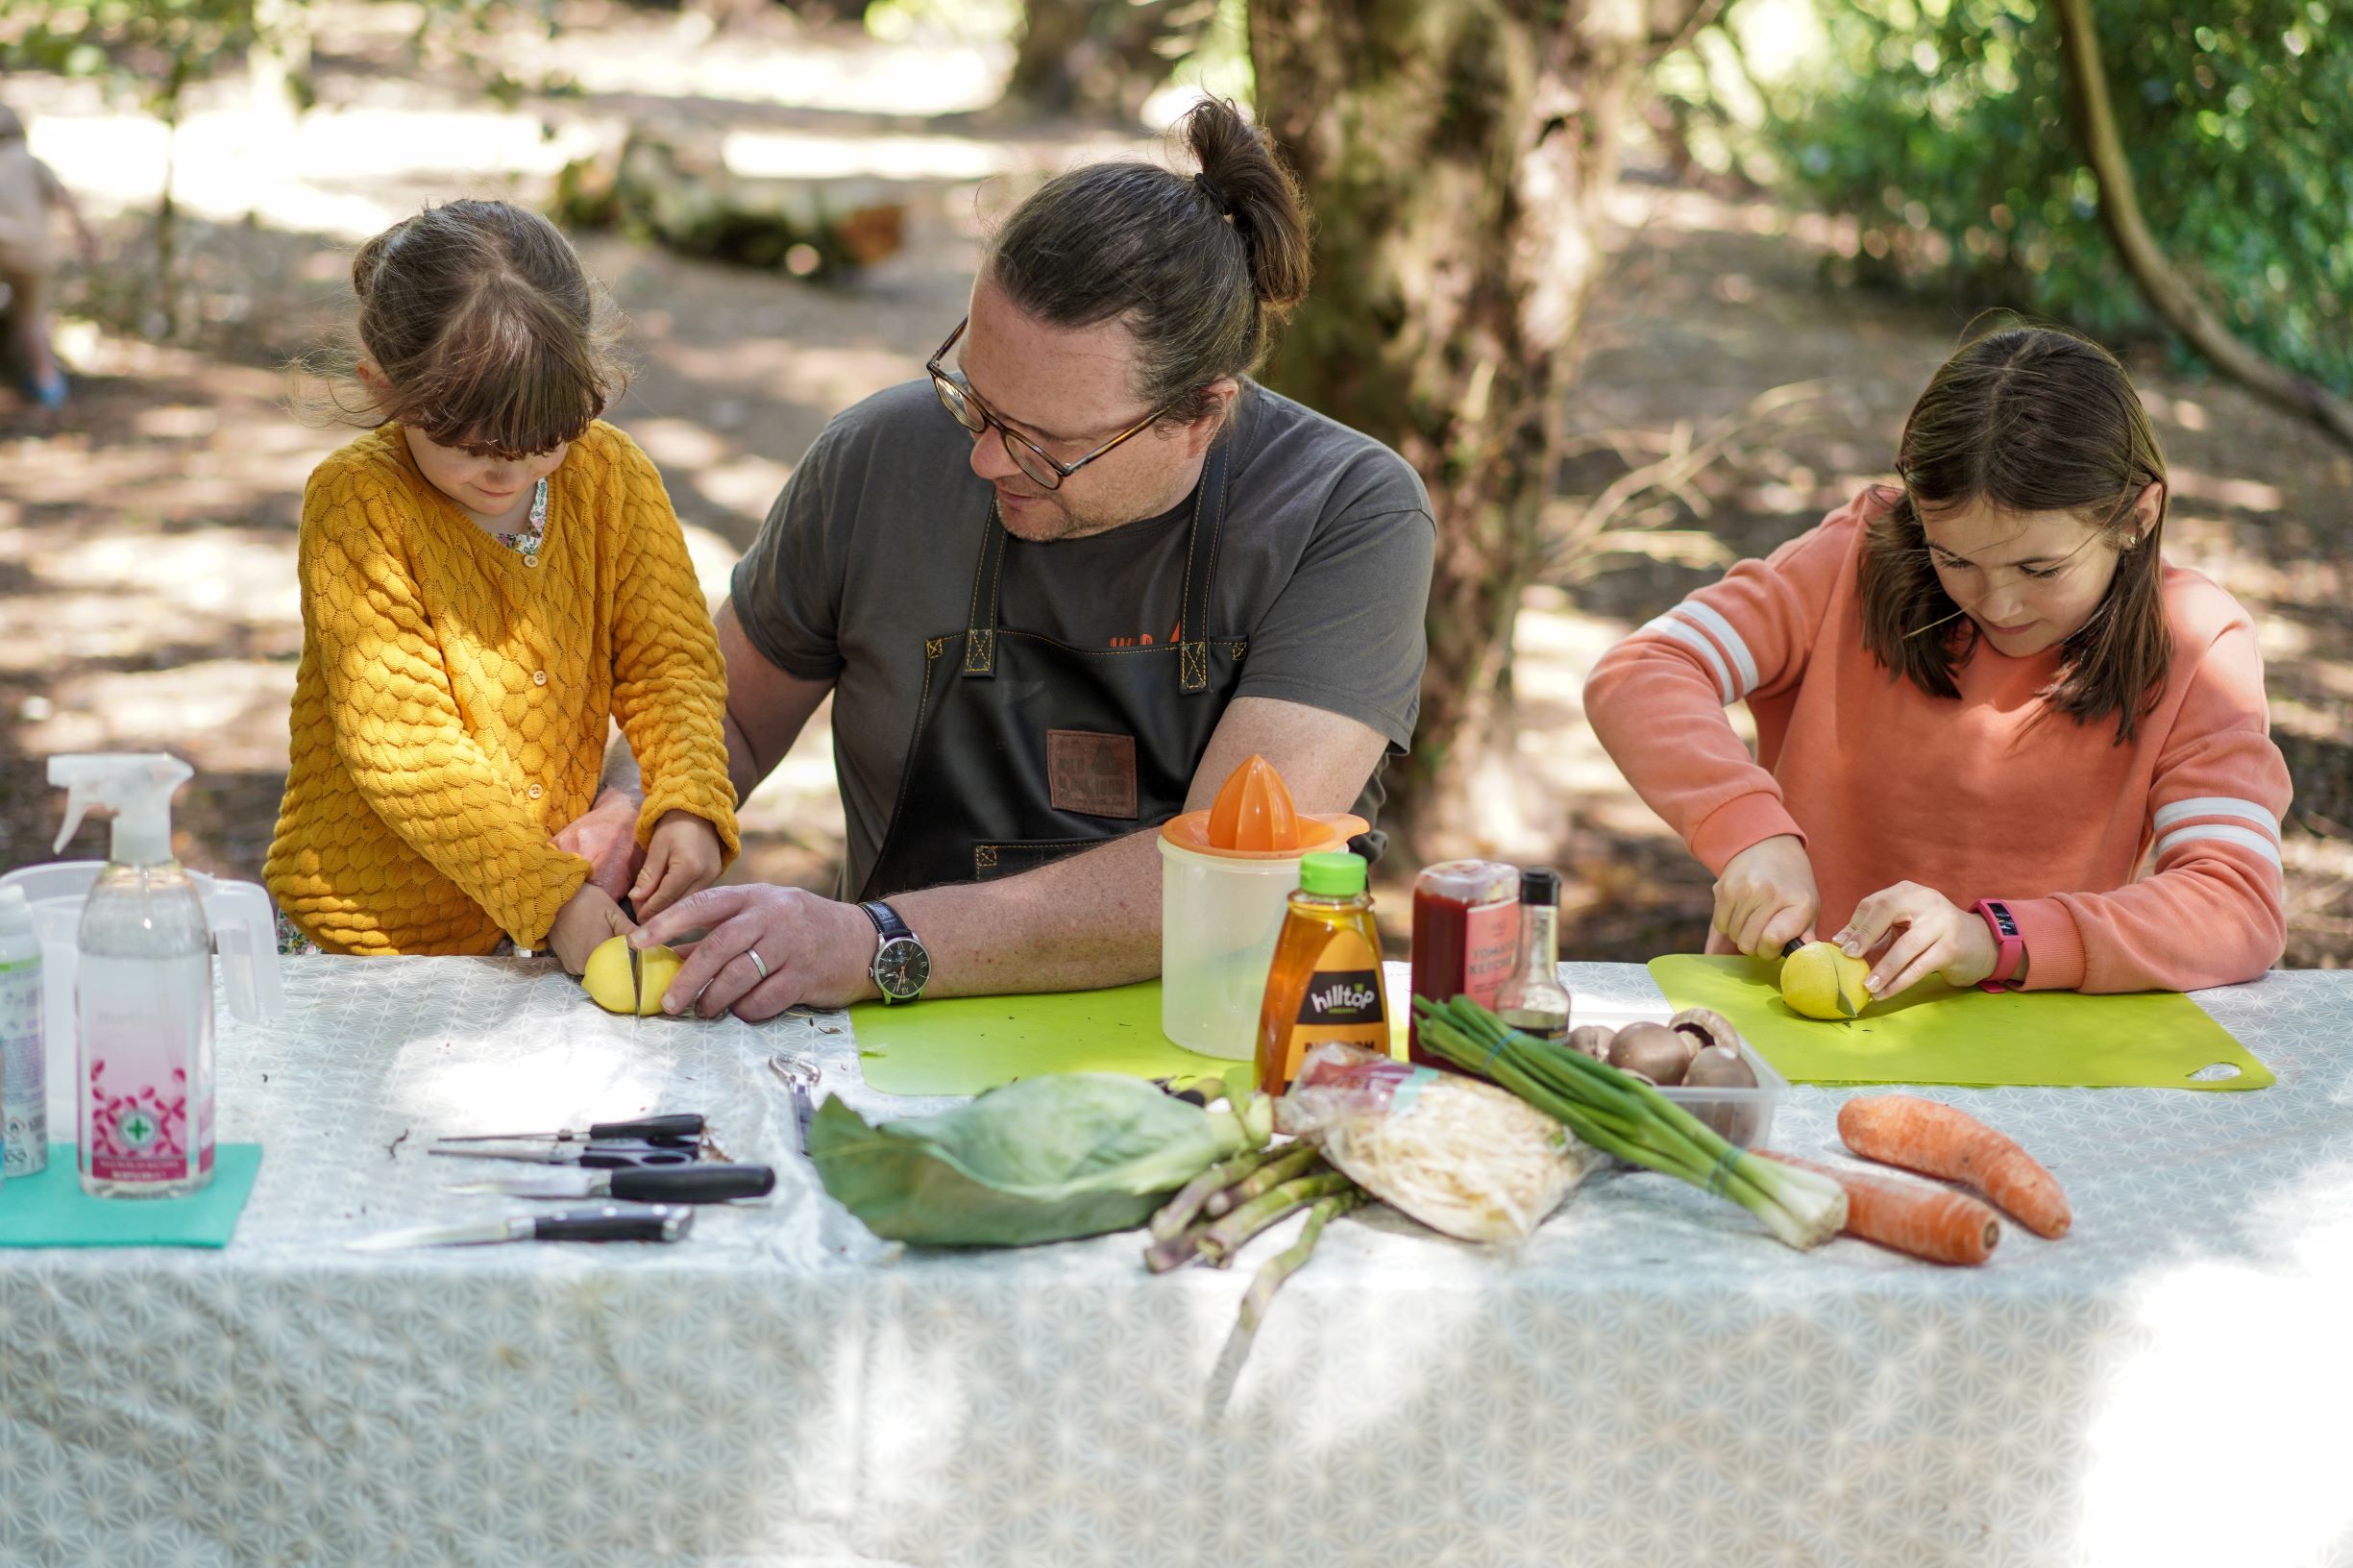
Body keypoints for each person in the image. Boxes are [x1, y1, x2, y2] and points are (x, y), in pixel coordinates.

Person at [596, 98, 1435, 1019]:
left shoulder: (1344, 511)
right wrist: (643, 812)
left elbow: (1227, 876)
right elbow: (731, 725)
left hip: (1215, 1038)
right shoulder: (877, 457)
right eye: (974, 398)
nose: (983, 459)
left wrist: (873, 941)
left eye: (1042, 443)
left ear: (1200, 415)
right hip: (892, 1035)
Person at [1584, 323, 2290, 998]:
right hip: (1779, 1031)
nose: (1998, 603)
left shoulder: (2197, 643)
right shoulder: (1846, 565)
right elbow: (1645, 670)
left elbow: (2235, 905)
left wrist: (1991, 940)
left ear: (2135, 519)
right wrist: (1749, 836)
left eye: (2040, 568)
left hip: (2029, 1051)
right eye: (1953, 558)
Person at [264, 199, 738, 972]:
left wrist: (686, 799)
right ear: (385, 390)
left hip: (538, 927)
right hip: (365, 939)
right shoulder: (358, 502)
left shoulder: (612, 476)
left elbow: (670, 666)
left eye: (545, 439)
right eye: (473, 446)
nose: (508, 471)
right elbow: (405, 745)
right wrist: (551, 897)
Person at [0, 102, 96, 409]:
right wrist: (85, 236)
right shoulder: (32, 163)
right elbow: (63, 198)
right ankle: (48, 384)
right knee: (33, 321)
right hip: (35, 253)